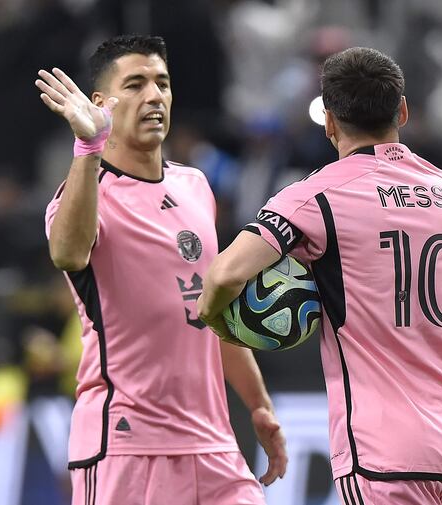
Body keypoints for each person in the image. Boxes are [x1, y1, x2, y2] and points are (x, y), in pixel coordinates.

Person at [197, 47, 442, 505]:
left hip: (382, 446)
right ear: (402, 110)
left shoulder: (313, 198)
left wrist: (215, 318)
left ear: (330, 122)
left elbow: (225, 274)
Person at [35, 35, 286, 505]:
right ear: (100, 103)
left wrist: (259, 405)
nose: (154, 96)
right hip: (127, 447)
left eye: (162, 83)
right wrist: (88, 147)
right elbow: (68, 255)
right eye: (135, 84)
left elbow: (213, 310)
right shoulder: (84, 195)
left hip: (215, 448)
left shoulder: (196, 186)